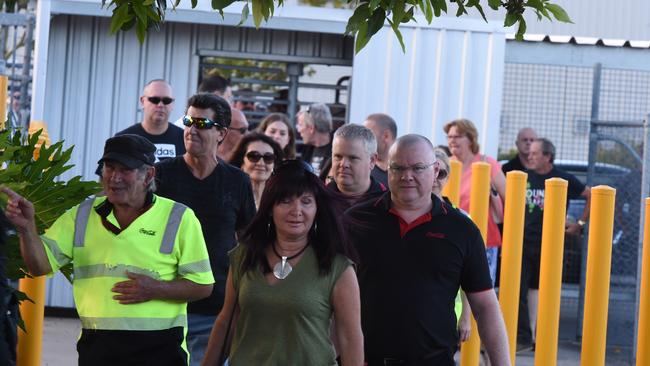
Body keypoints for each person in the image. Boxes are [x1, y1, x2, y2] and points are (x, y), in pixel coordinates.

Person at [1, 134, 214, 365]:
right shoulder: (81, 215)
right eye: (109, 167)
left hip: (162, 352)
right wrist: (26, 229)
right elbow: (39, 266)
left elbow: (202, 286)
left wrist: (155, 289)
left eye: (125, 170)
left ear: (148, 175)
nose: (115, 177)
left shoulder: (179, 217)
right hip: (98, 350)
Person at [345, 134, 510, 366]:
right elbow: (326, 296)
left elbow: (485, 307)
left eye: (417, 168)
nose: (407, 176)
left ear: (435, 171)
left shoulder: (462, 229)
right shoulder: (355, 221)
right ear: (387, 170)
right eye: (398, 168)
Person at [202, 159, 363, 366]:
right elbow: (227, 321)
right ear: (270, 208)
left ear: (317, 210)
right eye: (285, 201)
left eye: (306, 201)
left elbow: (350, 338)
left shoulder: (337, 267)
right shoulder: (245, 256)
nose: (296, 210)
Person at [155, 93, 257, 366]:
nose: (191, 130)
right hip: (164, 302)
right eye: (188, 121)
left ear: (222, 133)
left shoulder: (237, 181)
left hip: (216, 309)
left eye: (201, 123)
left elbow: (250, 243)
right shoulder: (161, 174)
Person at [517, 137, 591, 351]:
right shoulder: (524, 177)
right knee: (518, 291)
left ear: (547, 156)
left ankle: (541, 339)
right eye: (528, 153)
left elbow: (591, 195)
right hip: (524, 242)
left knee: (545, 292)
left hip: (551, 244)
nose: (529, 156)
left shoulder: (562, 178)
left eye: (534, 153)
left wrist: (579, 223)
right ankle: (523, 338)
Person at [444, 118, 506, 284]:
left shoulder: (487, 163)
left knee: (481, 290)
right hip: (451, 238)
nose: (452, 140)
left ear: (471, 138)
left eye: (457, 136)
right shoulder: (446, 165)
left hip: (484, 238)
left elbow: (509, 198)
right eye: (449, 137)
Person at [432, 148, 471, 346]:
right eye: (431, 171)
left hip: (447, 316)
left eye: (441, 173)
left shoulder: (462, 220)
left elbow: (472, 277)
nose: (435, 179)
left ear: (448, 177)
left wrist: (465, 316)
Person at [116, 79, 185, 162]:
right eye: (154, 100)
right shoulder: (123, 140)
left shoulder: (185, 139)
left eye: (166, 101)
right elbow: (108, 173)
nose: (160, 105)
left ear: (173, 104)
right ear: (142, 101)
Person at [328, 124, 386, 207]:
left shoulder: (387, 203)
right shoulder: (318, 198)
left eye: (352, 158)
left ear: (372, 161)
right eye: (338, 156)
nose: (343, 164)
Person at [229, 132, 284, 208]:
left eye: (268, 158)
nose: (261, 163)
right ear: (241, 161)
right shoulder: (227, 197)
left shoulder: (281, 200)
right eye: (254, 156)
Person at [296, 103, 333, 176]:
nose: (299, 130)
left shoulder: (337, 151)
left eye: (300, 125)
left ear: (311, 128)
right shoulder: (306, 150)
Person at [363, 113, 397, 188]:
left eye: (368, 135)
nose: (362, 139)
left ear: (386, 136)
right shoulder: (361, 167)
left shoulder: (405, 170)